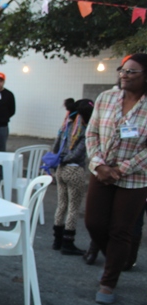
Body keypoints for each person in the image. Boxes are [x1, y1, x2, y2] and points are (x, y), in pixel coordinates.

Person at [84, 53, 147, 305]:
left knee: (121, 230)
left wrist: (122, 169)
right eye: (122, 70)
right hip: (101, 171)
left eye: (131, 72)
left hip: (135, 178)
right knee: (94, 223)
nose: (124, 75)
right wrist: (99, 165)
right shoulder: (106, 98)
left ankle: (108, 282)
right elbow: (92, 133)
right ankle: (117, 259)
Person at [51, 98, 94, 255]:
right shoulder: (85, 130)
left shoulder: (66, 126)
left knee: (61, 204)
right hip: (75, 171)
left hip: (60, 170)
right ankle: (68, 243)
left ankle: (57, 241)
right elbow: (78, 153)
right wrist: (67, 159)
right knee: (73, 208)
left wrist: (59, 160)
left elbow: (55, 147)